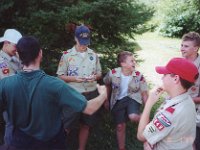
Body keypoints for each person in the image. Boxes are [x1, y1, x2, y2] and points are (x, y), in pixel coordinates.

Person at [0, 36, 107, 150]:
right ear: (40, 53)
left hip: (18, 143)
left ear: (19, 55)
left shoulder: (6, 84)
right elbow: (89, 108)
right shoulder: (55, 85)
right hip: (50, 143)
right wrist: (103, 94)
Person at [56, 25, 102, 150]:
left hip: (90, 94)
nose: (83, 45)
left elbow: (99, 73)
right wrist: (75, 79)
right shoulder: (66, 55)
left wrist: (95, 77)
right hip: (73, 94)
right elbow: (60, 76)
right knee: (67, 125)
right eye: (81, 42)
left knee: (86, 125)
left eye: (86, 42)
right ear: (75, 38)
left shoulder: (93, 55)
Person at [137, 57, 199, 150]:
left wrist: (149, 103)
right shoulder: (187, 100)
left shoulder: (170, 114)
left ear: (175, 79)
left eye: (165, 74)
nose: (162, 77)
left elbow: (141, 136)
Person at [103, 51, 148, 150]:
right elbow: (107, 85)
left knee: (133, 116)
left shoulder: (138, 75)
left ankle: (146, 120)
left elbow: (144, 93)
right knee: (119, 126)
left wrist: (147, 108)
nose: (134, 62)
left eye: (134, 60)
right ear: (123, 64)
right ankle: (121, 148)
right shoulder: (113, 73)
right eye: (131, 61)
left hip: (132, 98)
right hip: (118, 101)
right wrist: (106, 99)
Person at [0, 29, 22, 145]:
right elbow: (9, 83)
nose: (17, 49)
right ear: (6, 43)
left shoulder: (15, 58)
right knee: (11, 127)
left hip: (18, 100)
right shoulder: (2, 61)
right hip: (9, 101)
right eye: (15, 46)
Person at [180, 32, 200, 150]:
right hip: (180, 111)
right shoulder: (180, 62)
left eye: (186, 46)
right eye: (182, 45)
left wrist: (186, 100)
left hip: (196, 115)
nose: (182, 48)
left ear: (196, 48)